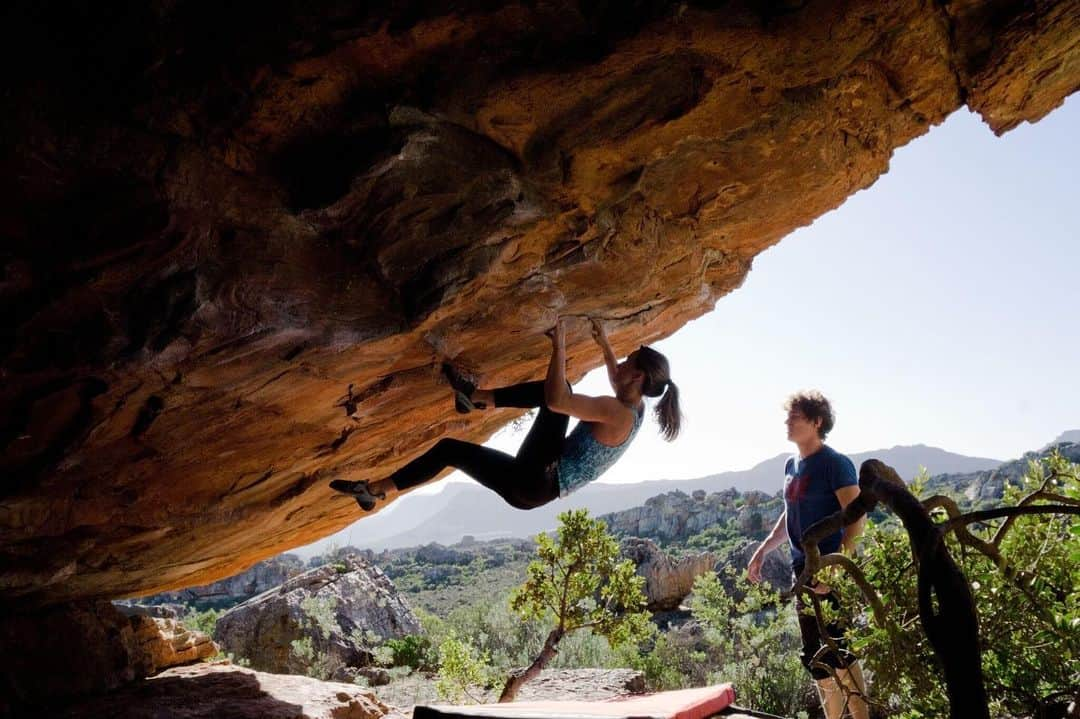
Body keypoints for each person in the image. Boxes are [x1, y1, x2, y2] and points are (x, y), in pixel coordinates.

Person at [330, 317, 680, 511]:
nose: (619, 363)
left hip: (537, 478)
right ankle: (375, 490)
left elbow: (558, 400)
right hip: (530, 492)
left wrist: (558, 345)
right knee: (448, 449)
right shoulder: (635, 406)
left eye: (627, 360)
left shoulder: (616, 412)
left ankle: (477, 398)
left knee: (558, 394)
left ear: (637, 376)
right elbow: (617, 377)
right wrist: (604, 343)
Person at [747, 391, 869, 719]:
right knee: (814, 654)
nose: (787, 422)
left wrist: (835, 571)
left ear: (816, 422)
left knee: (840, 651)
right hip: (801, 569)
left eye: (795, 417)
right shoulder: (792, 465)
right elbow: (791, 513)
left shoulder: (835, 463)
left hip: (828, 567)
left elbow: (857, 517)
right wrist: (763, 549)